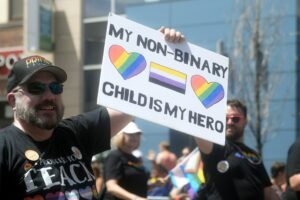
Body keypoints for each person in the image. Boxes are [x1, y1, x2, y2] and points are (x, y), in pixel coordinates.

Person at [0, 27, 185, 199]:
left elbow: (137, 102)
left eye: (55, 87)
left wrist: (164, 51)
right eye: (36, 87)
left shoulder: (76, 132)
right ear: (12, 100)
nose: (49, 96)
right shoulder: (4, 148)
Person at [195, 99, 280, 200]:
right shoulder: (216, 146)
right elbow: (198, 133)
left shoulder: (254, 156)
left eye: (235, 119)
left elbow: (269, 192)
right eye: (225, 118)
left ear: (245, 121)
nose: (230, 122)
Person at [103, 122, 149, 200]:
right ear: (121, 136)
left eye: (137, 134)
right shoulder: (114, 156)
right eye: (131, 134)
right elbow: (111, 187)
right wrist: (135, 198)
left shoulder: (136, 159)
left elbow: (134, 186)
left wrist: (154, 185)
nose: (135, 137)